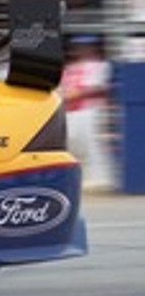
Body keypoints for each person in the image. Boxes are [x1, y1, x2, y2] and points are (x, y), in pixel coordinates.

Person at [61, 35, 114, 192]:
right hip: (69, 111)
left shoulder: (100, 66)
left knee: (92, 145)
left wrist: (67, 96)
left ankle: (100, 180)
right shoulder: (69, 68)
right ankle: (79, 180)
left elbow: (95, 88)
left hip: (91, 110)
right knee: (73, 144)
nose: (83, 50)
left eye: (86, 46)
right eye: (79, 47)